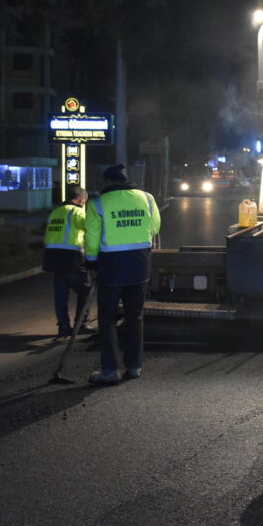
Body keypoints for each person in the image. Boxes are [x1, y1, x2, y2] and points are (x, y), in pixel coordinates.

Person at [84, 164, 161, 385]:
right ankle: (134, 366)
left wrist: (91, 261)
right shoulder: (146, 198)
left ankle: (110, 369)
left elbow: (91, 236)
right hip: (140, 263)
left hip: (111, 266)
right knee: (135, 316)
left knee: (107, 319)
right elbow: (154, 227)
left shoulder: (98, 203)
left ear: (108, 182)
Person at [43, 186, 91, 337]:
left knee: (61, 294)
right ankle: (81, 324)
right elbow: (90, 227)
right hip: (71, 257)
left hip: (52, 257)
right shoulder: (77, 211)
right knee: (86, 290)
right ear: (82, 199)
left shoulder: (56, 212)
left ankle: (63, 327)